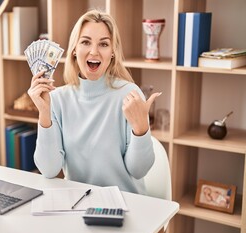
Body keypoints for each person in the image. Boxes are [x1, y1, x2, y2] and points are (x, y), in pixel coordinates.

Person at [27, 9, 161, 193]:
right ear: (74, 50)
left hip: (126, 205)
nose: (94, 51)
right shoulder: (57, 99)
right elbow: (49, 170)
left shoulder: (129, 94)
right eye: (85, 42)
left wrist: (141, 130)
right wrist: (44, 114)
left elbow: (139, 171)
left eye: (104, 44)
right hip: (78, 204)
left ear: (113, 52)